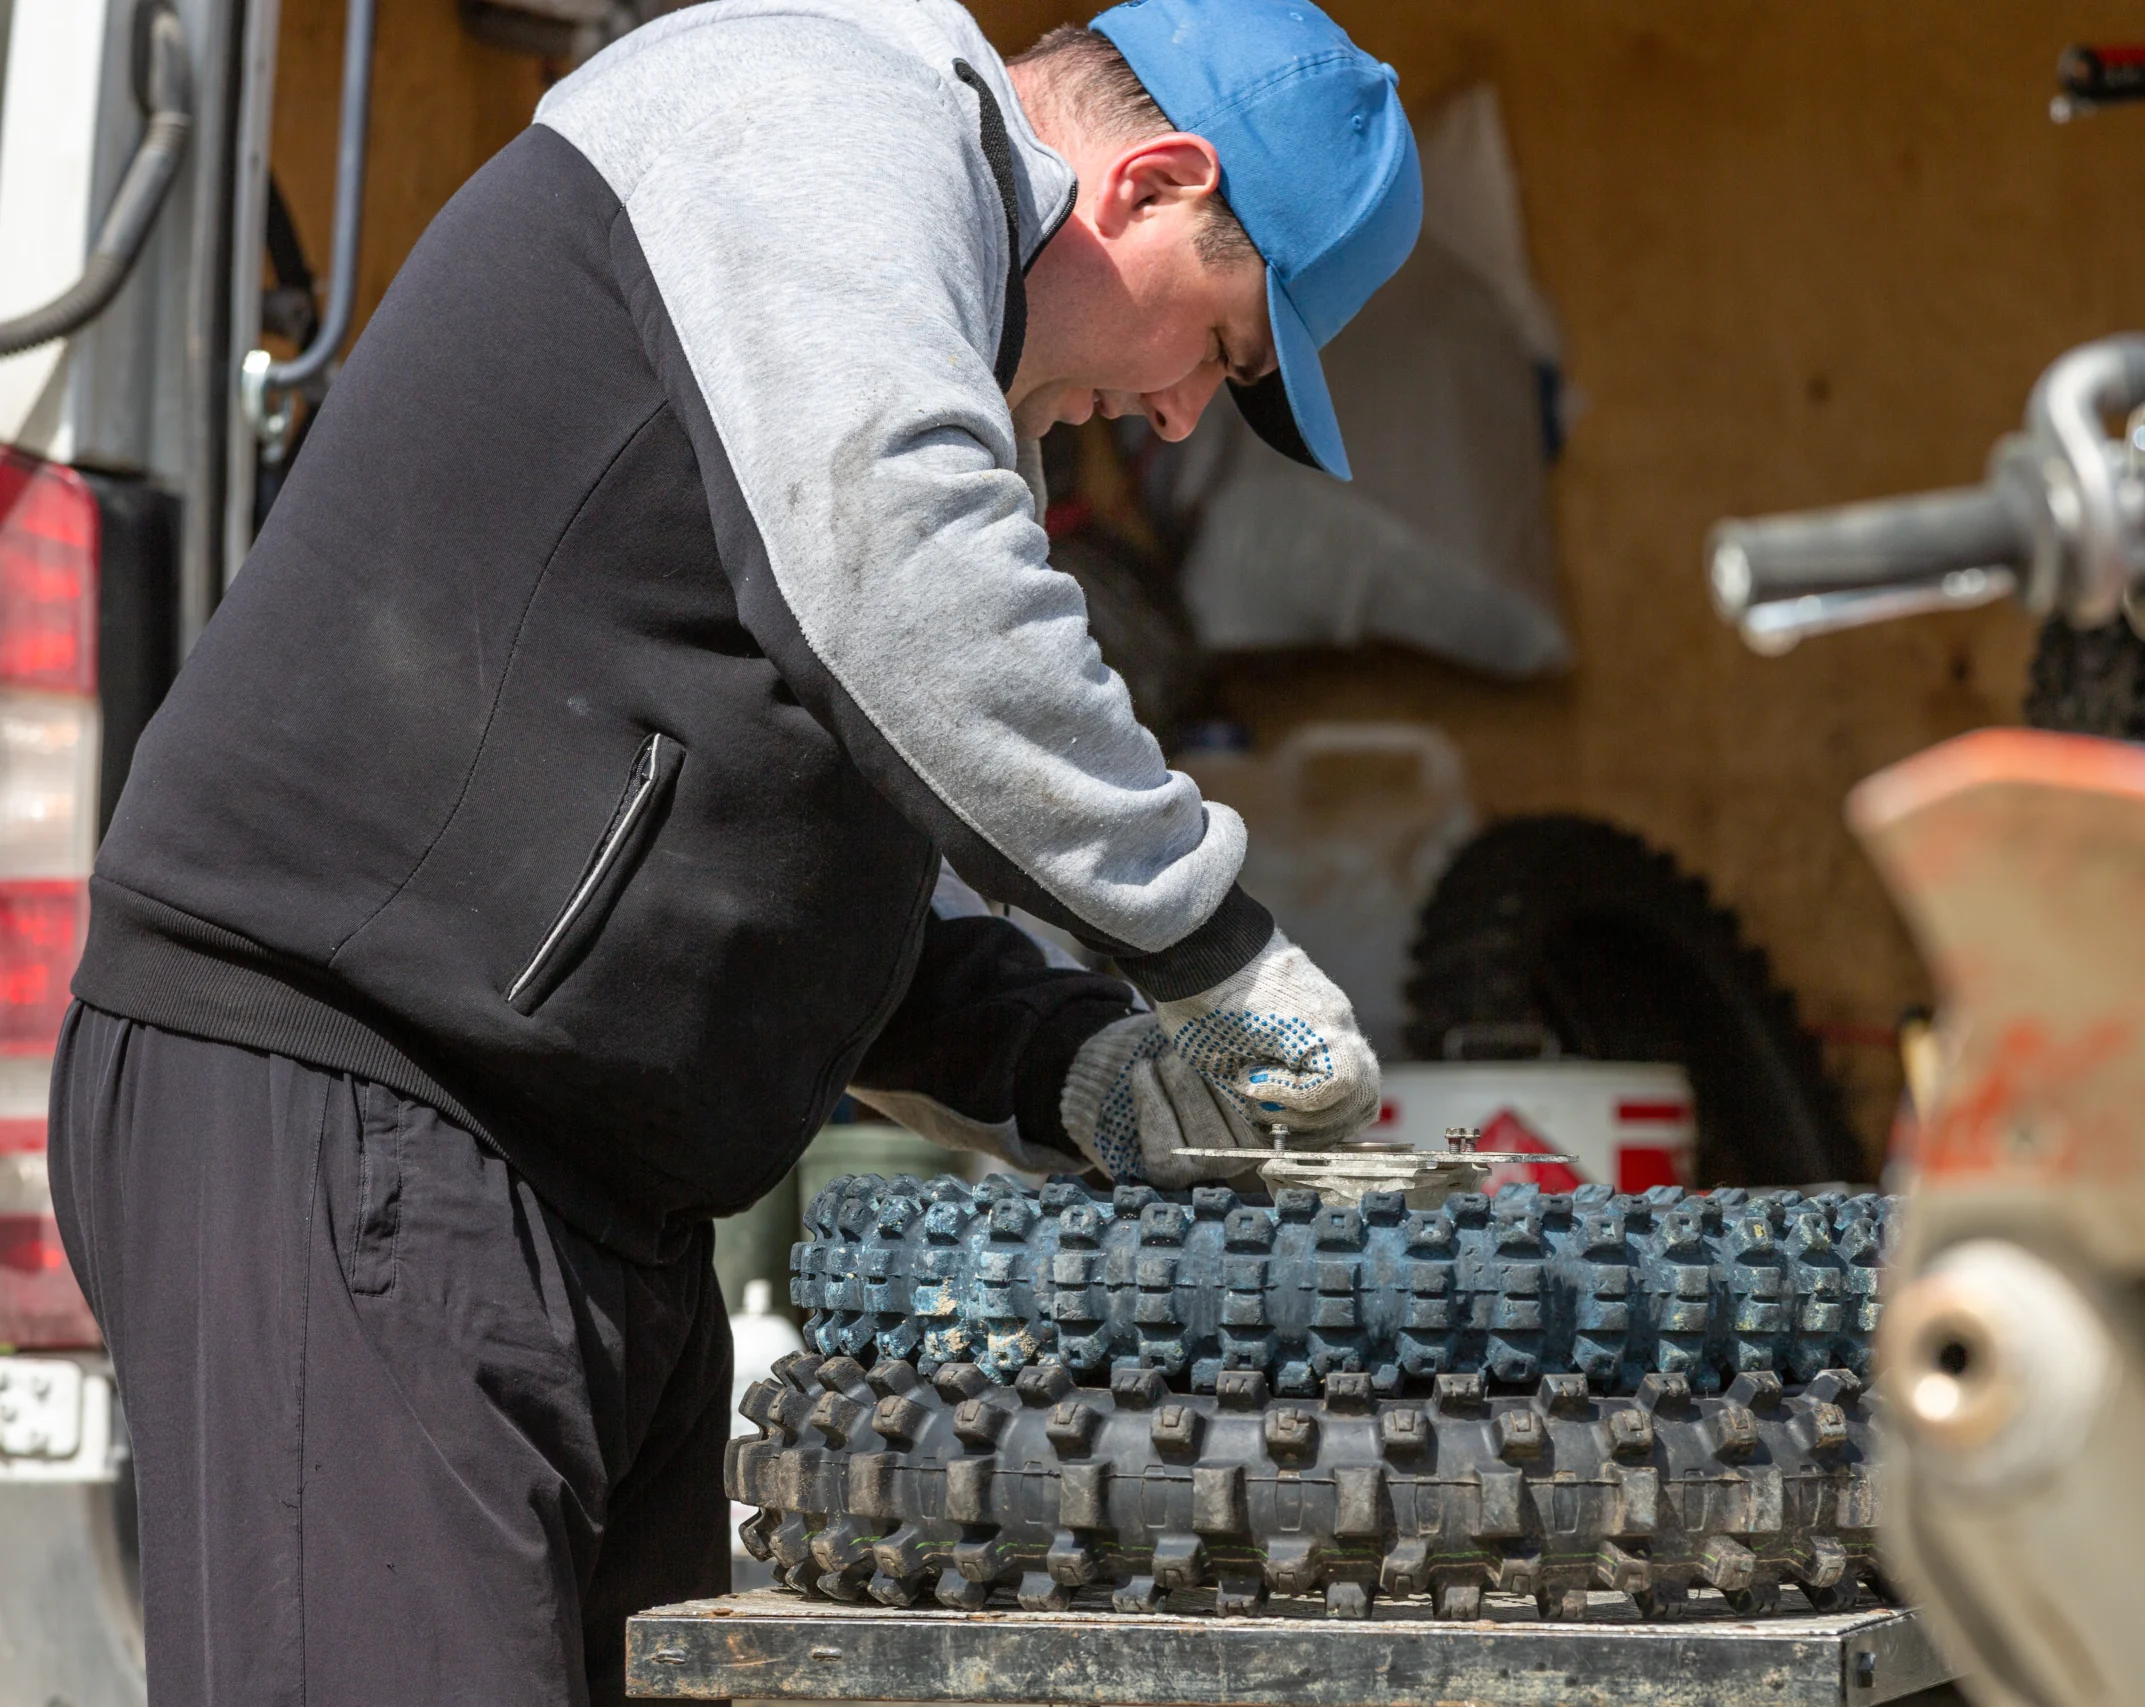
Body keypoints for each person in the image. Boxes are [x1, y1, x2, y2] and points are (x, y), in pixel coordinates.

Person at [46, 1, 1420, 1700]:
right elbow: (900, 574)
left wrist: (1071, 1062)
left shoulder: (886, 310)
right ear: (1152, 183)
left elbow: (795, 856)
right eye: (1221, 347)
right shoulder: (823, 113)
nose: (1181, 414)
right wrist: (1214, 955)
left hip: (581, 1188)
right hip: (362, 1106)